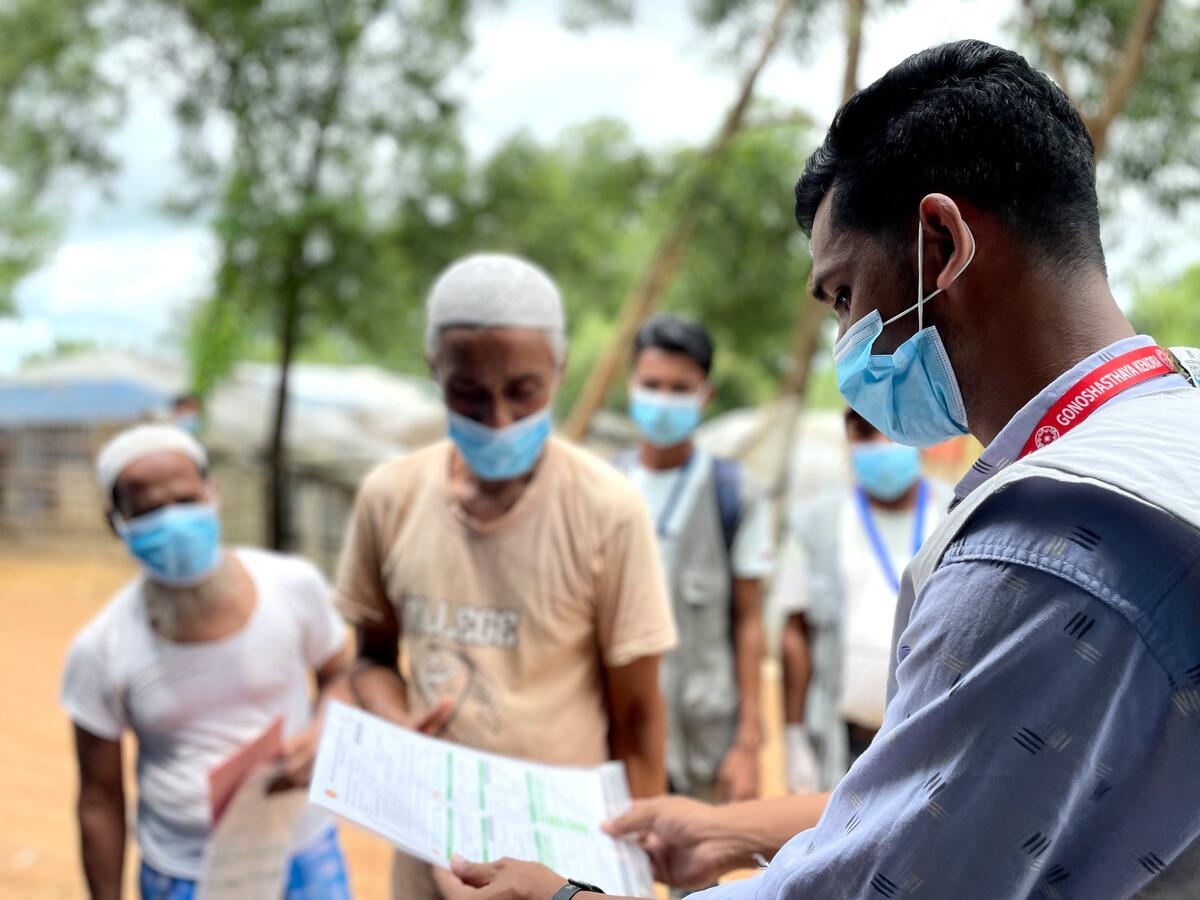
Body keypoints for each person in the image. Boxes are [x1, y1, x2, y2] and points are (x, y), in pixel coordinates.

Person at [432, 39, 1200, 899]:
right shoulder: (1174, 419)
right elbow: (962, 796)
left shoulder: (1050, 549)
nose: (846, 344)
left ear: (941, 245)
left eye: (842, 295)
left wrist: (566, 897)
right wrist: (732, 828)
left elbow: (890, 881)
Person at [334, 253, 678, 900]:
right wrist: (391, 717)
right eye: (468, 392)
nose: (498, 420)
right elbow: (371, 658)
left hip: (566, 864)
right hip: (430, 851)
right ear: (434, 371)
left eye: (523, 391)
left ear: (560, 371)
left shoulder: (606, 509)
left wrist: (628, 879)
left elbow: (637, 716)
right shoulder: (389, 497)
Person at [61, 425, 354, 900]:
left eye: (184, 499)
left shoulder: (293, 586)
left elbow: (340, 672)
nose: (173, 521)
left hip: (303, 852)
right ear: (115, 521)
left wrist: (326, 728)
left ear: (212, 492)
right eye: (149, 510)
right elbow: (99, 798)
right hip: (184, 875)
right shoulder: (101, 648)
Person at [618, 314, 771, 811]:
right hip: (615, 738)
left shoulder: (736, 495)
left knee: (697, 883)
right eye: (652, 385)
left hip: (702, 735)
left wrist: (747, 744)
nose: (663, 401)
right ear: (631, 386)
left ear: (705, 395)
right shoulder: (600, 489)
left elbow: (749, 621)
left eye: (679, 388)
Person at [778, 408, 950, 793]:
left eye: (891, 430)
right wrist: (794, 737)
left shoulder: (957, 513)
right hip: (841, 742)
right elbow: (795, 633)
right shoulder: (813, 521)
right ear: (848, 439)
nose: (881, 446)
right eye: (864, 432)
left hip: (927, 745)